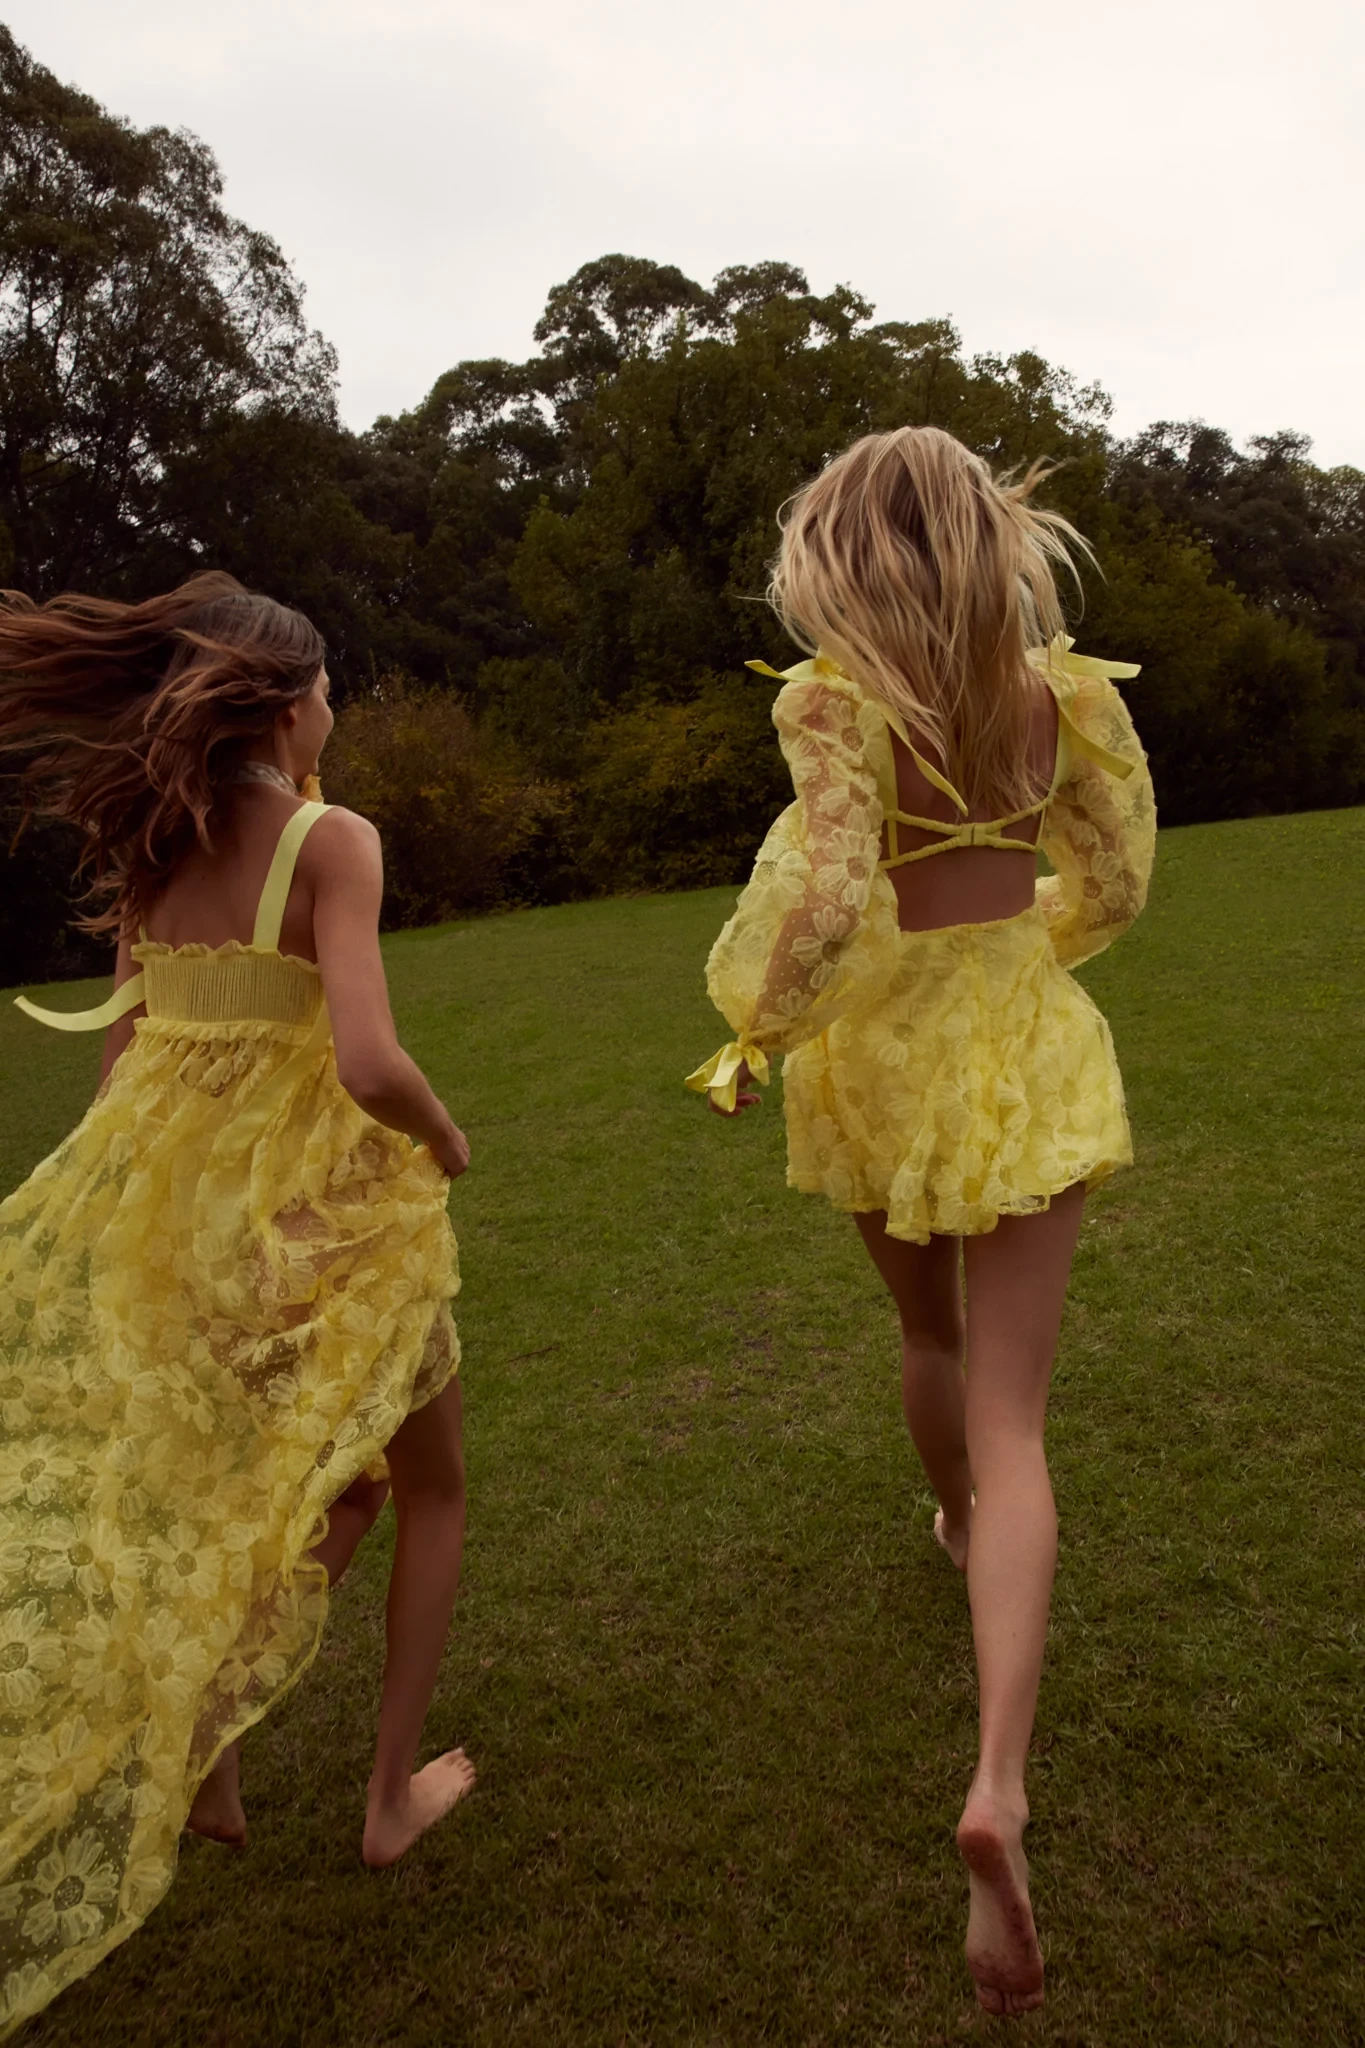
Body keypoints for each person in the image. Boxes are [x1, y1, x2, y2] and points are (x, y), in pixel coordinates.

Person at [686, 428, 1155, 2017]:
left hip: (879, 1062)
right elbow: (1117, 878)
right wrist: (1033, 944)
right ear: (985, 538)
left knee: (925, 1334)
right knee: (1020, 1417)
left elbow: (824, 902)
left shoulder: (832, 703)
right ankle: (997, 1783)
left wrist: (754, 1029)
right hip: (1021, 1041)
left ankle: (951, 1517)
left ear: (845, 551)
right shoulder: (1062, 697)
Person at [0, 575, 474, 2040]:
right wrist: (447, 1139)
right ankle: (387, 1800)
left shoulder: (154, 844)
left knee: (271, 1492)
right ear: (282, 706)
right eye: (327, 689)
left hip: (178, 1227)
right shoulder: (332, 840)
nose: (335, 711)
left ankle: (207, 1754)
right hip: (324, 1223)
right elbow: (369, 1061)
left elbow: (122, 1064)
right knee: (431, 1487)